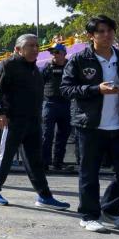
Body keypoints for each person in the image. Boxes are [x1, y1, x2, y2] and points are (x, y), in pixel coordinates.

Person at [60, 15, 119, 233]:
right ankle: (89, 215)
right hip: (89, 126)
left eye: (110, 31)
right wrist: (96, 89)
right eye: (101, 31)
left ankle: (111, 209)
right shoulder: (78, 60)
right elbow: (66, 90)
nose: (107, 35)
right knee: (89, 173)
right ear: (91, 35)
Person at [0, 34, 70, 211]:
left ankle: (44, 196)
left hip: (33, 121)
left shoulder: (35, 69)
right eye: (30, 45)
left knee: (35, 160)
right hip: (13, 120)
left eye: (37, 45)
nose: (35, 49)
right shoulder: (7, 65)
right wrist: (0, 112)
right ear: (18, 49)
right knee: (5, 156)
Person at [40, 43, 74, 172]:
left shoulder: (70, 67)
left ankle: (58, 163)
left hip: (66, 104)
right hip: (49, 104)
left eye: (57, 52)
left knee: (63, 136)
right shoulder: (47, 67)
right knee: (47, 135)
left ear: (64, 53)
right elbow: (39, 83)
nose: (54, 55)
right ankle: (44, 164)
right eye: (53, 52)